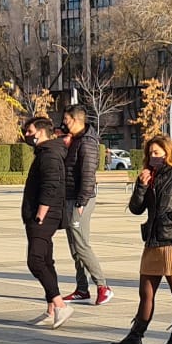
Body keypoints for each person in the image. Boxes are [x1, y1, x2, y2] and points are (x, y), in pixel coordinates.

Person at [109, 134, 172, 344]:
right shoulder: (149, 176)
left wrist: (167, 219)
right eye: (150, 153)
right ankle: (135, 338)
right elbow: (135, 209)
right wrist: (141, 186)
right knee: (145, 293)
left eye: (157, 153)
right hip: (152, 243)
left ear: (168, 154)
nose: (152, 157)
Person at [21, 115, 73, 328]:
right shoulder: (46, 152)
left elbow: (52, 186)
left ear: (40, 132)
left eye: (29, 131)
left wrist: (40, 214)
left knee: (35, 260)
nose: (26, 135)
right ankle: (52, 309)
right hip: (41, 214)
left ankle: (61, 305)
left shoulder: (49, 154)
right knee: (46, 259)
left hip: (44, 215)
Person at [59, 105, 112, 306]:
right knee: (75, 247)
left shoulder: (87, 143)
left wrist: (81, 202)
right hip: (70, 197)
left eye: (67, 120)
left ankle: (103, 286)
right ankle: (82, 289)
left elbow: (88, 175)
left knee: (81, 244)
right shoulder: (76, 139)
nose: (64, 124)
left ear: (77, 120)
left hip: (81, 200)